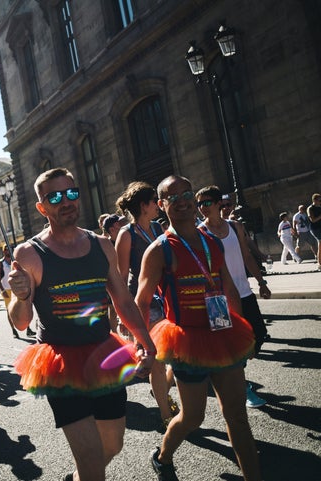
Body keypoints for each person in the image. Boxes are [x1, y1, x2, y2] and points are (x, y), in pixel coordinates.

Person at [8, 168, 156, 481]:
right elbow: (21, 322)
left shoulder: (102, 245)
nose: (66, 201)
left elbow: (123, 301)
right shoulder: (30, 253)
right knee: (91, 460)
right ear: (42, 207)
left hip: (105, 355)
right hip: (61, 364)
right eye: (55, 197)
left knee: (112, 446)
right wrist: (20, 296)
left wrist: (144, 338)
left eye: (71, 193)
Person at [137, 175, 260, 481]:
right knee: (193, 417)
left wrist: (240, 333)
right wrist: (144, 347)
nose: (182, 201)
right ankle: (163, 457)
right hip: (186, 342)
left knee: (237, 417)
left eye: (186, 194)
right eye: (172, 197)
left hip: (222, 335)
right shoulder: (159, 250)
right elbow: (140, 302)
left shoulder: (212, 242)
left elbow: (229, 288)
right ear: (162, 205)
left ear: (195, 199)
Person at [197, 186, 272, 408]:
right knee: (230, 344)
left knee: (258, 334)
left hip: (244, 292)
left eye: (207, 202)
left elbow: (246, 256)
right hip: (218, 300)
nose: (202, 207)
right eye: (199, 203)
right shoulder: (200, 233)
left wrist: (261, 282)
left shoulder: (234, 226)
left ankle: (230, 373)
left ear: (220, 203)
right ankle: (242, 386)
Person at [115, 181, 178, 429]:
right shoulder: (126, 234)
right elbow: (120, 278)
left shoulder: (156, 228)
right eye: (154, 201)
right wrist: (122, 315)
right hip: (143, 302)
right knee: (158, 357)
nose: (157, 205)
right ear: (144, 205)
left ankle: (162, 389)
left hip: (166, 297)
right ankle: (165, 413)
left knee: (175, 351)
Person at [0, 244, 35, 339]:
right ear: (3, 251)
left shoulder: (16, 261)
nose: (8, 251)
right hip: (7, 289)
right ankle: (13, 330)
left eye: (9, 249)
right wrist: (3, 290)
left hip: (18, 289)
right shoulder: (0, 263)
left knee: (25, 306)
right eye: (6, 249)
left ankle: (28, 328)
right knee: (10, 310)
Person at [307, 193, 321, 269]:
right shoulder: (310, 208)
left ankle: (319, 263)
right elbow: (313, 220)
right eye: (319, 200)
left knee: (320, 245)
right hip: (314, 229)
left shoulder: (319, 208)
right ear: (314, 200)